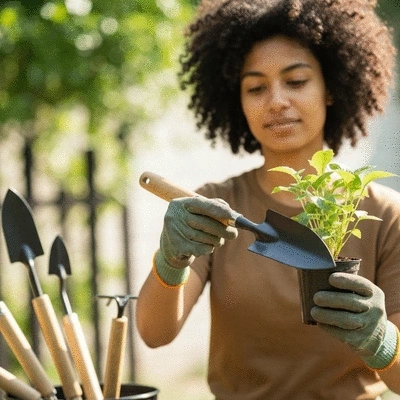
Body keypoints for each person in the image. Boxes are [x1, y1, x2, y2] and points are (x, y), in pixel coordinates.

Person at [136, 0, 400, 399]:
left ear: (331, 88)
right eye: (256, 87)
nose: (276, 101)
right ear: (238, 102)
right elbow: (154, 333)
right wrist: (171, 258)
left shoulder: (384, 214)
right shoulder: (215, 207)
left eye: (296, 81)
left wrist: (382, 342)